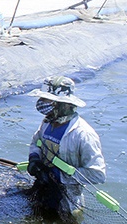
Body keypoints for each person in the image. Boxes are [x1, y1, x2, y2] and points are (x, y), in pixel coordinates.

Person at [26, 76, 106, 216]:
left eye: (49, 101)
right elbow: (35, 142)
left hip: (67, 201)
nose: (43, 104)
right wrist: (34, 160)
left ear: (65, 104)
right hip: (43, 188)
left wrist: (58, 175)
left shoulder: (83, 135)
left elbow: (97, 175)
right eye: (43, 100)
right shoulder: (47, 122)